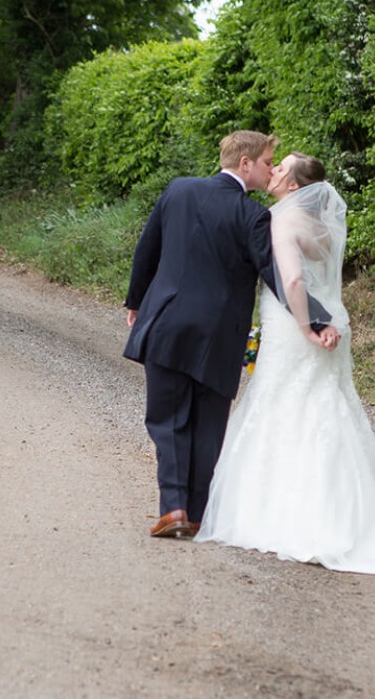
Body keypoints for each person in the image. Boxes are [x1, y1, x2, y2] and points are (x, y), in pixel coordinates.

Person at [195, 152, 375, 578]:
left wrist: (307, 327)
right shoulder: (320, 227)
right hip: (331, 319)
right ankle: (345, 513)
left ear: (294, 185)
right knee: (325, 407)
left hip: (296, 324)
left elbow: (292, 281)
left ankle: (286, 516)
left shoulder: (280, 219)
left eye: (279, 169)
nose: (271, 172)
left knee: (283, 407)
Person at [123, 133, 341, 539]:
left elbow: (147, 248)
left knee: (167, 420)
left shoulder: (178, 190)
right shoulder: (252, 216)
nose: (270, 168)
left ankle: (173, 508)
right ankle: (199, 514)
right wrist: (318, 320)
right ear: (245, 163)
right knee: (208, 426)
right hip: (218, 338)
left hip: (166, 322)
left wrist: (136, 301)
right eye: (267, 162)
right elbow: (276, 275)